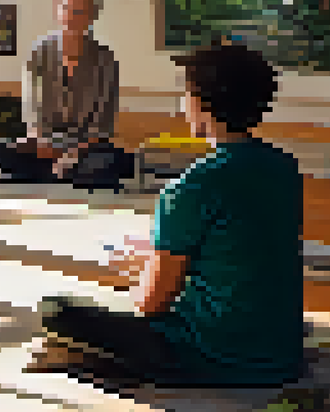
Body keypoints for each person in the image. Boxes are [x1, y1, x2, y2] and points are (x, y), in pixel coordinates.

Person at [29, 41, 305, 387]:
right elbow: (242, 247)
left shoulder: (192, 186)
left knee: (56, 310)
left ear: (202, 103)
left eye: (186, 93)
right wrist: (161, 256)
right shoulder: (284, 168)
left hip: (211, 357)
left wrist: (146, 268)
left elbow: (150, 303)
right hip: (282, 355)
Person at [0, 0, 135, 190]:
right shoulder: (38, 54)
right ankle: (63, 172)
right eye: (65, 9)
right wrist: (48, 147)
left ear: (92, 17)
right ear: (57, 11)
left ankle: (49, 173)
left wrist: (74, 152)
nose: (70, 17)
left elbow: (102, 124)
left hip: (86, 146)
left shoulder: (105, 59)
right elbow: (32, 114)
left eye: (79, 12)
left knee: (118, 160)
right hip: (45, 144)